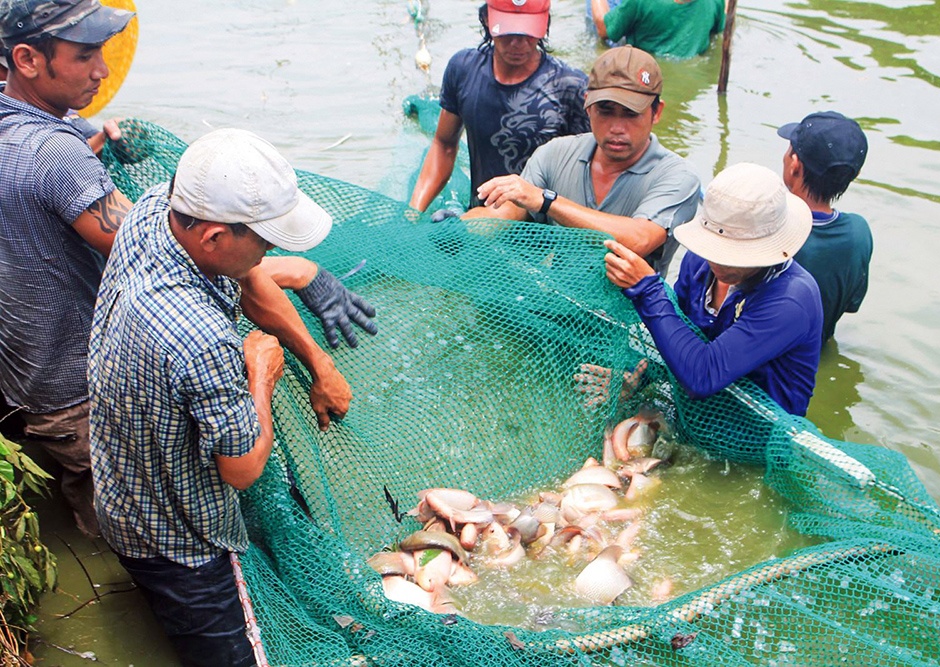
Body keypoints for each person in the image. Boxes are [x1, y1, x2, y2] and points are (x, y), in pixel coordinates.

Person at [0, 0, 370, 538]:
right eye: (84, 56)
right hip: (82, 394)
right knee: (148, 533)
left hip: (27, 377)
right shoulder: (55, 155)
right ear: (29, 60)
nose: (103, 71)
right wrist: (309, 328)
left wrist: (98, 142)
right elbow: (187, 254)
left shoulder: (24, 127)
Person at [88, 128, 331, 667]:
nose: (270, 252)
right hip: (184, 544)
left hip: (119, 492)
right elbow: (241, 469)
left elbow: (247, 275)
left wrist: (318, 360)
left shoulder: (157, 209)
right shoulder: (201, 341)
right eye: (264, 240)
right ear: (215, 237)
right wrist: (262, 376)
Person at [602, 162, 823, 416]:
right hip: (696, 414)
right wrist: (637, 377)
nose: (717, 261)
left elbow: (702, 377)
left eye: (735, 253)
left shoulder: (791, 300)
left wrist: (648, 289)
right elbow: (678, 338)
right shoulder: (698, 263)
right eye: (714, 248)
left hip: (758, 435)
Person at [469, 45, 700, 276]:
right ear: (587, 105)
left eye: (631, 113)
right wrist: (458, 228)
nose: (617, 128)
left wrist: (547, 201)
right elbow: (504, 215)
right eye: (605, 110)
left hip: (633, 310)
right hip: (560, 303)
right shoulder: (554, 154)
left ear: (656, 113)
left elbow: (639, 239)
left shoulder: (678, 176)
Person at [408, 0, 590, 213]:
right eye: (507, 32)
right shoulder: (463, 70)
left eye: (527, 33)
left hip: (544, 231)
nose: (517, 43)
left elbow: (593, 170)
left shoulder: (570, 87)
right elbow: (444, 144)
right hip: (478, 221)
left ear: (545, 23)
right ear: (486, 19)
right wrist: (413, 211)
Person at [778, 111, 872, 343]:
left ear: (795, 166)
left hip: (753, 365)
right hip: (814, 355)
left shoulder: (774, 228)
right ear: (855, 174)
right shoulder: (859, 232)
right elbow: (851, 304)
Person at [590, 0, 726, 60]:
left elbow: (604, 30)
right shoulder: (717, 1)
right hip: (690, 58)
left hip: (643, 64)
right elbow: (717, 32)